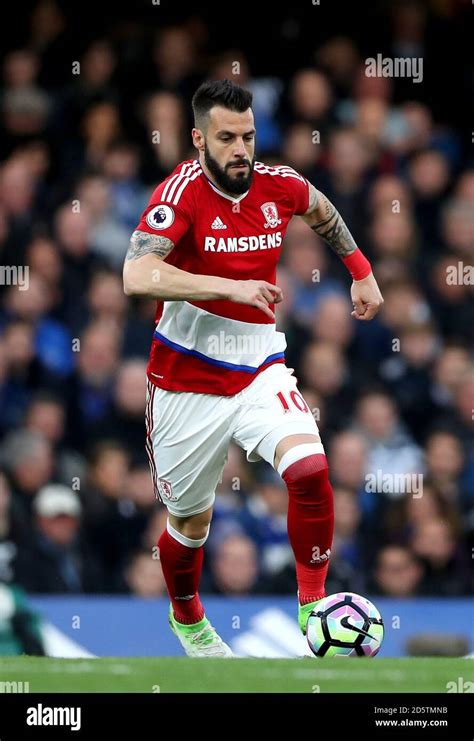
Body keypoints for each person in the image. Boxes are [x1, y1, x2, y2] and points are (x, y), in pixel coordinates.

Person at [123, 79, 383, 656]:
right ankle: (187, 616)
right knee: (189, 522)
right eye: (226, 138)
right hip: (186, 379)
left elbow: (319, 207)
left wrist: (361, 269)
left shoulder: (278, 183)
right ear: (198, 139)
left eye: (247, 135)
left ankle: (314, 605)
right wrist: (226, 287)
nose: (241, 149)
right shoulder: (180, 194)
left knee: (311, 469)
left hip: (260, 362)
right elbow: (136, 276)